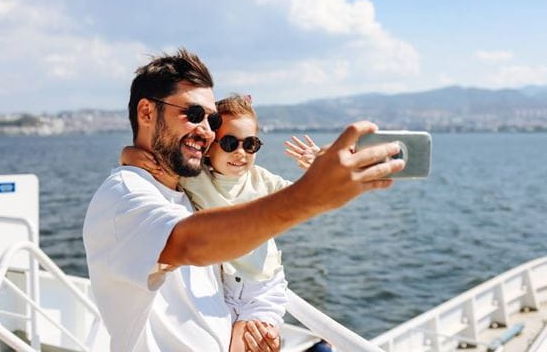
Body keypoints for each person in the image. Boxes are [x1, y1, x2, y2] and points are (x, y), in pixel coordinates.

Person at [82, 48, 405, 351]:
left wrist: (248, 325)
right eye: (193, 114)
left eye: (211, 121)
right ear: (146, 111)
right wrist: (310, 197)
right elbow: (190, 243)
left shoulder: (185, 188)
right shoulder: (124, 195)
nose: (206, 131)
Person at [121, 94, 320, 352]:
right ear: (210, 145)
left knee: (245, 346)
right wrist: (127, 154)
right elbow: (154, 164)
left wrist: (318, 168)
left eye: (251, 144)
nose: (240, 153)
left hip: (262, 288)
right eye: (229, 143)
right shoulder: (195, 178)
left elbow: (308, 200)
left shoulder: (263, 181)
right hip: (220, 290)